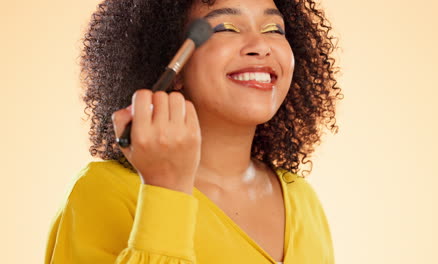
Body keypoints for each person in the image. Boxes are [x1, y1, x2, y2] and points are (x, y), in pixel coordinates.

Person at [45, 0, 342, 263]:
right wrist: (165, 191)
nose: (261, 45)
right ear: (171, 65)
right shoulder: (103, 192)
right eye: (226, 27)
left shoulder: (302, 200)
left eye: (274, 29)